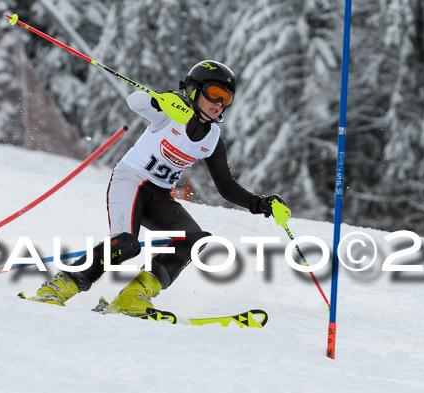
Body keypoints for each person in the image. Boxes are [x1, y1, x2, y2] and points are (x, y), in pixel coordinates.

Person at [25, 60, 286, 315]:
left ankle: (132, 297)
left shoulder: (212, 139)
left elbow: (226, 186)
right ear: (194, 90)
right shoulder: (170, 114)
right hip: (130, 181)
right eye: (214, 94)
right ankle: (58, 288)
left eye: (226, 99)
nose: (219, 104)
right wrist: (161, 100)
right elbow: (134, 102)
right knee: (125, 244)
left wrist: (260, 204)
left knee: (195, 241)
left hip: (159, 195)